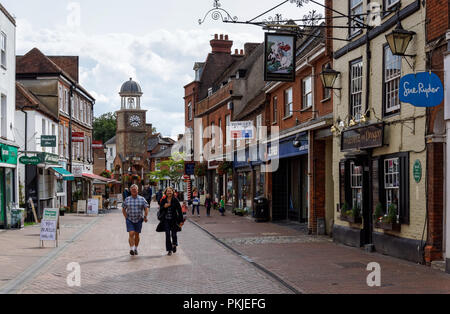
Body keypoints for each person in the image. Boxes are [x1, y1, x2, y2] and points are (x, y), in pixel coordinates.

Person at [122, 184, 149, 256]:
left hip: (139, 219)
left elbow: (146, 207)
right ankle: (132, 248)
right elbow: (123, 208)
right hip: (130, 219)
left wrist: (145, 216)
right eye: (132, 189)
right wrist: (126, 217)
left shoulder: (142, 199)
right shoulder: (127, 199)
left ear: (137, 190)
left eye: (135, 189)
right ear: (130, 191)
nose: (134, 191)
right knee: (131, 233)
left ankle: (136, 248)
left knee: (137, 235)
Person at [156, 187, 183, 256]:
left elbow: (179, 211)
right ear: (165, 192)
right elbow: (160, 210)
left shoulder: (175, 200)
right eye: (168, 191)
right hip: (166, 220)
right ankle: (169, 250)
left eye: (170, 191)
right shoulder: (163, 200)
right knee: (167, 235)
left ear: (172, 192)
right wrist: (164, 207)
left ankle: (174, 244)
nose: (169, 192)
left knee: (174, 234)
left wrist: (181, 221)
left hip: (174, 220)